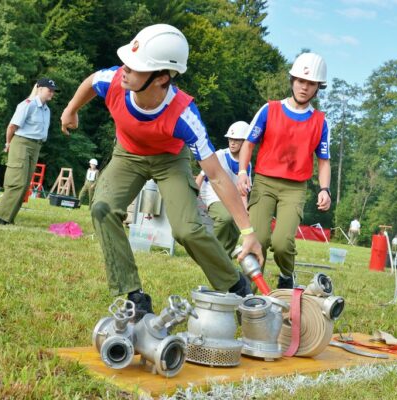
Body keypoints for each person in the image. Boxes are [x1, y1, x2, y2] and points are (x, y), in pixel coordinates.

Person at [60, 24, 262, 320]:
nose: (125, 69)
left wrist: (248, 232)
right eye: (127, 62)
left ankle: (236, 286)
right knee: (102, 208)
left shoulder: (183, 114)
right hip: (127, 154)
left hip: (170, 159)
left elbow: (218, 176)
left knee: (187, 230)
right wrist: (70, 109)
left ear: (162, 78)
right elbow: (92, 81)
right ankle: (134, 296)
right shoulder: (115, 81)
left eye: (136, 67)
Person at [237, 52, 331, 289]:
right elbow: (249, 143)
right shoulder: (269, 110)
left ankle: (287, 275)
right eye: (300, 81)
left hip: (294, 188)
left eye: (311, 84)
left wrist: (325, 189)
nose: (304, 87)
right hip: (265, 182)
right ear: (292, 81)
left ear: (318, 88)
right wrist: (242, 173)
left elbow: (323, 160)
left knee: (281, 242)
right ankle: (252, 291)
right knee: (258, 238)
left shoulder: (320, 121)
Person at [0, 78, 60, 225]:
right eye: (50, 90)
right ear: (40, 89)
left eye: (53, 91)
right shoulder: (27, 105)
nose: (52, 93)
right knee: (17, 182)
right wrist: (8, 143)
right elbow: (12, 127)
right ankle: (0, 218)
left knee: (25, 185)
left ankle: (8, 218)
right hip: (22, 143)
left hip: (36, 146)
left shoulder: (47, 110)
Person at [195, 121, 251, 256]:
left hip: (232, 196)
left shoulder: (247, 164)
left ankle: (225, 256)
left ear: (245, 142)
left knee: (239, 224)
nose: (232, 143)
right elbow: (201, 176)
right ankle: (210, 253)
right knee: (225, 217)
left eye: (236, 140)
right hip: (213, 193)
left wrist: (245, 211)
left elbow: (243, 191)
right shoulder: (219, 155)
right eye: (231, 139)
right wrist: (192, 196)